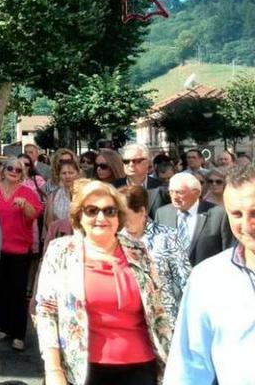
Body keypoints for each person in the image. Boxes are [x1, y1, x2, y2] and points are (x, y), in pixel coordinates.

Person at [34, 180, 172, 385]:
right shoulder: (61, 251)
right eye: (92, 210)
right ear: (79, 215)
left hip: (140, 367)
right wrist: (54, 369)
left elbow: (159, 311)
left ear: (119, 216)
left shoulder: (139, 251)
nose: (101, 218)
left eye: (110, 211)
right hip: (83, 369)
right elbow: (47, 311)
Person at [164, 163, 255, 385]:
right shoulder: (208, 279)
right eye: (236, 214)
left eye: (254, 212)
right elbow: (189, 367)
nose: (247, 225)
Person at [0, 157, 43, 352]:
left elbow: (33, 217)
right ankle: (4, 327)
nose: (14, 171)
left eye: (18, 170)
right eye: (10, 168)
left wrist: (25, 205)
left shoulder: (27, 192)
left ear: (23, 174)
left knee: (17, 292)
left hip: (20, 250)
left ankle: (19, 334)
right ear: (3, 170)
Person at [118, 185, 190, 322]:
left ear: (142, 211)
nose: (120, 219)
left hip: (164, 320)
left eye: (125, 214)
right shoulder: (115, 239)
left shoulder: (168, 236)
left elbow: (185, 280)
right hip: (128, 320)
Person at [155, 172, 233, 266]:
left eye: (180, 192)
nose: (174, 197)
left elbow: (229, 251)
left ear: (196, 193)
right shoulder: (162, 213)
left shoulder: (219, 215)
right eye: (171, 192)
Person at [112, 144, 168, 219]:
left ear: (148, 163)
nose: (131, 164)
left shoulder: (161, 188)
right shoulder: (113, 188)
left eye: (136, 161)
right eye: (126, 161)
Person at [43, 160, 80, 246]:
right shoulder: (53, 195)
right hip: (59, 240)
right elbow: (50, 222)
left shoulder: (85, 193)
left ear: (77, 174)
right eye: (64, 173)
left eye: (71, 173)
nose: (67, 176)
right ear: (59, 175)